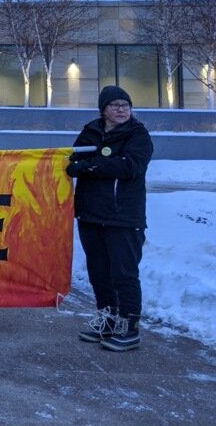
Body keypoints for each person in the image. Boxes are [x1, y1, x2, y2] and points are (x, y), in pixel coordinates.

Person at [67, 85, 153, 352]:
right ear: (103, 109)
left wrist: (92, 166)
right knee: (99, 272)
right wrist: (83, 164)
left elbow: (129, 167)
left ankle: (128, 326)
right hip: (91, 215)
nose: (121, 109)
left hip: (123, 217)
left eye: (125, 105)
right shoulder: (91, 131)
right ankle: (107, 317)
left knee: (124, 273)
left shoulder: (138, 134)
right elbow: (74, 158)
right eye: (115, 105)